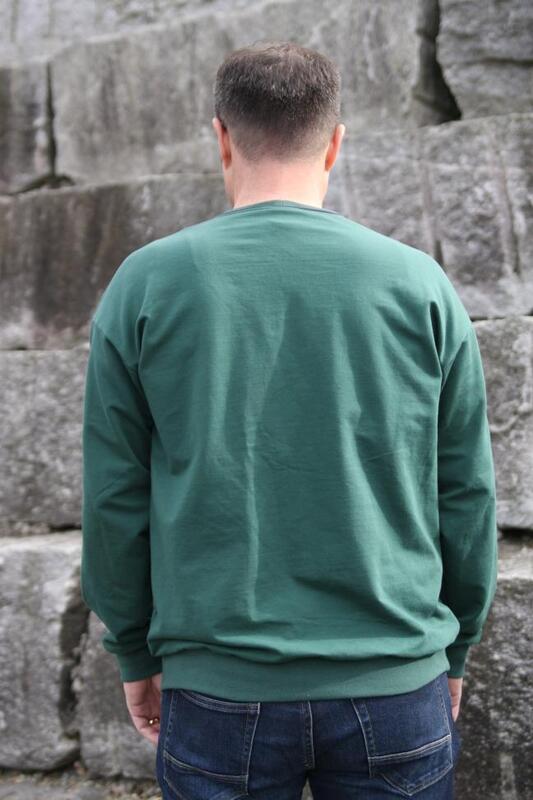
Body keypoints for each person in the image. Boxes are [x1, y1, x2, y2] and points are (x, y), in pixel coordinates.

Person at [80, 40, 499, 799]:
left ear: (221, 138)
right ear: (335, 143)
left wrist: (134, 652)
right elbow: (466, 493)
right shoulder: (420, 284)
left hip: (217, 689)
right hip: (394, 681)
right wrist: (457, 647)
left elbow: (115, 498)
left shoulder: (145, 284)